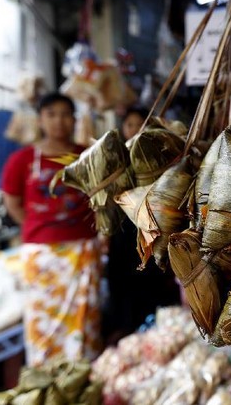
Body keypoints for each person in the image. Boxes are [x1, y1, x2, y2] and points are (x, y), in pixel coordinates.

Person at [1, 92, 103, 366]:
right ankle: (45, 378)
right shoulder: (21, 160)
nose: (59, 121)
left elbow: (100, 198)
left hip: (83, 251)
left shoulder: (89, 156)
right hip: (42, 256)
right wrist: (43, 229)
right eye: (51, 114)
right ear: (40, 120)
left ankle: (83, 375)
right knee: (42, 322)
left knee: (84, 318)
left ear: (74, 120)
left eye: (66, 114)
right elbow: (12, 204)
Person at [102, 105, 181, 344]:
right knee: (126, 281)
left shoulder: (161, 156)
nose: (136, 129)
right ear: (122, 129)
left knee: (154, 277)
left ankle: (161, 332)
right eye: (130, 125)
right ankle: (129, 331)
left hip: (154, 228)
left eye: (141, 124)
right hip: (124, 233)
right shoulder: (115, 159)